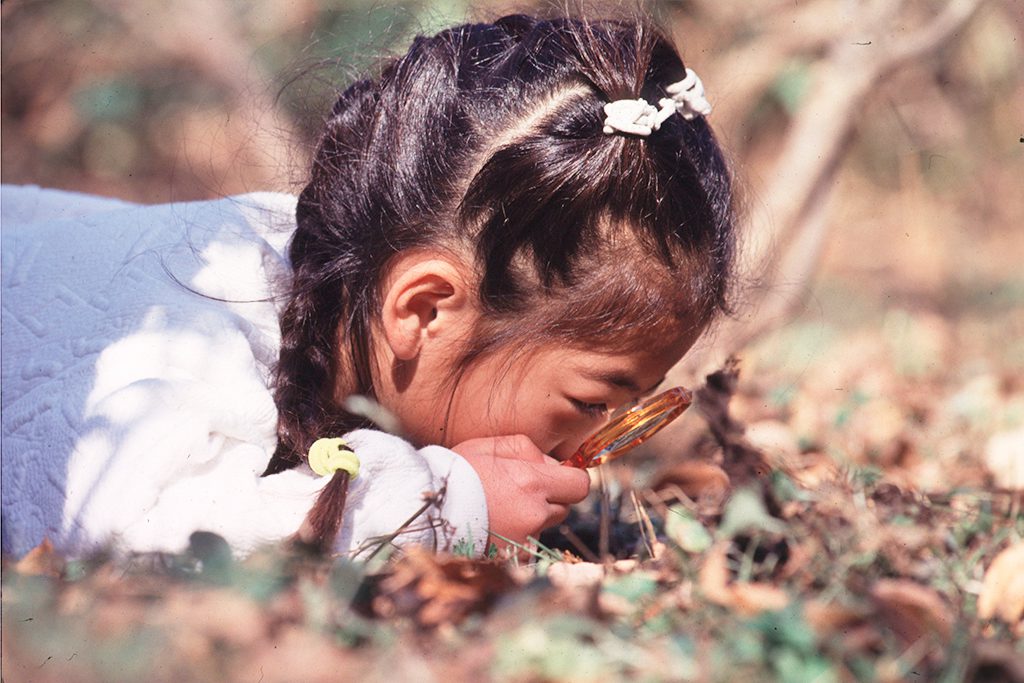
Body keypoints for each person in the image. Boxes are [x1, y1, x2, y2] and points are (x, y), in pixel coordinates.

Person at [0, 13, 735, 561]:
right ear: (422, 309)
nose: (599, 443)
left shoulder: (340, 288)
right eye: (593, 401)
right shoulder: (196, 335)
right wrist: (447, 507)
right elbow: (115, 535)